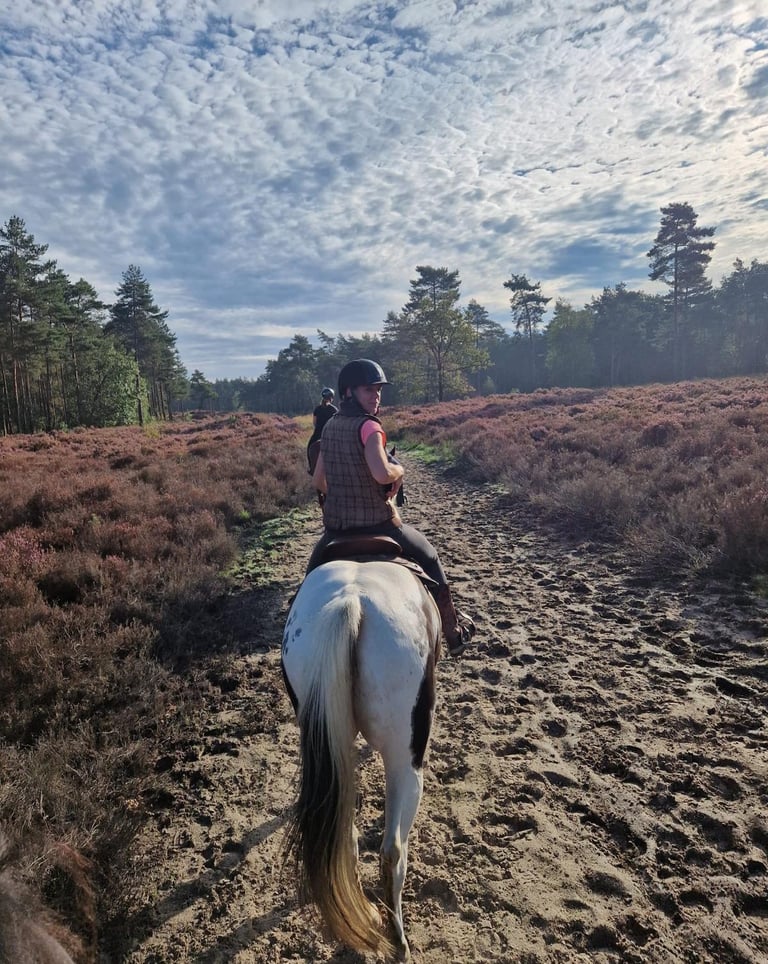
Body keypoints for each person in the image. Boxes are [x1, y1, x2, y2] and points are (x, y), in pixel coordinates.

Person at [307, 358, 476, 657]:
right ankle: (453, 633)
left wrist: (346, 492)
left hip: (337, 530)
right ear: (348, 392)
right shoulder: (370, 426)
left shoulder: (330, 426)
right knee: (430, 556)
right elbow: (382, 473)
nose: (376, 396)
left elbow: (319, 481)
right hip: (381, 525)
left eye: (378, 390)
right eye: (368, 390)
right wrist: (400, 470)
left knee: (309, 579)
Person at [306, 386, 338, 473]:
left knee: (309, 447)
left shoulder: (317, 409)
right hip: (330, 435)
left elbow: (314, 423)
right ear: (331, 398)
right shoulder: (334, 410)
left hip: (317, 434)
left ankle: (311, 468)